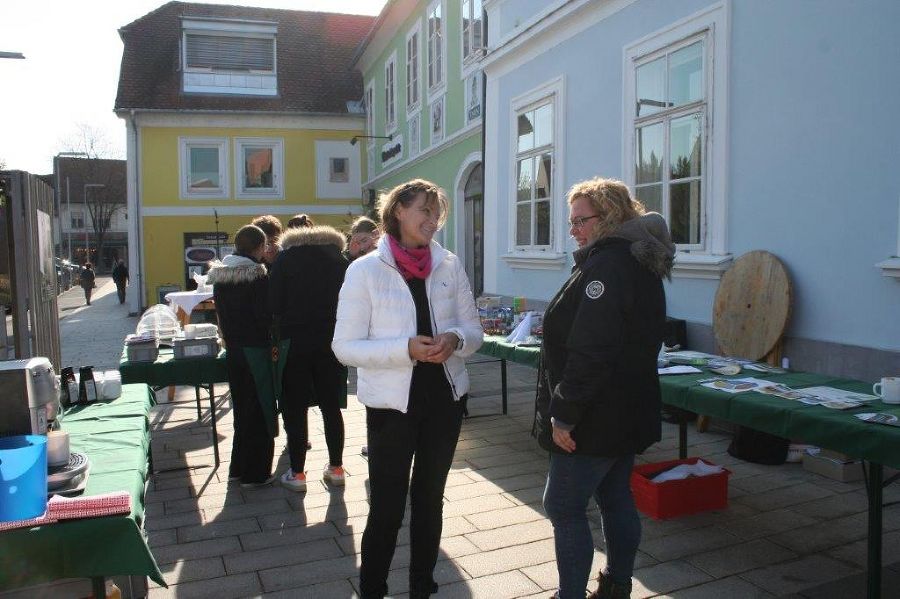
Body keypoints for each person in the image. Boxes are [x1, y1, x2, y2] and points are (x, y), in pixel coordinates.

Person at [332, 179, 483, 599]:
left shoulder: (448, 264)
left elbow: (473, 330)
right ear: (398, 210)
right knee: (386, 507)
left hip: (445, 399)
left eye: (438, 214)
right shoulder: (364, 270)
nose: (433, 221)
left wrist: (453, 339)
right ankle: (373, 589)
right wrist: (405, 349)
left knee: (430, 498)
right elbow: (344, 347)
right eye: (425, 211)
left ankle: (422, 586)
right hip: (391, 406)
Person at [534, 178, 674, 599]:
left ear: (609, 217)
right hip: (623, 407)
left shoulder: (610, 265)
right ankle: (616, 585)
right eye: (571, 221)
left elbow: (592, 349)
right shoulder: (628, 260)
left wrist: (565, 413)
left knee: (562, 505)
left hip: (596, 413)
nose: (573, 230)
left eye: (581, 220)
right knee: (614, 497)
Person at [269, 224, 349, 491]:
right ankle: (337, 468)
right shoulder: (339, 259)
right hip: (332, 339)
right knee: (331, 405)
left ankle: (298, 473)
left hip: (295, 341)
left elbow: (275, 304)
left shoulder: (286, 258)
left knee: (295, 406)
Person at [207, 225, 276, 488]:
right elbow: (264, 316)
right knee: (260, 411)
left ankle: (238, 468)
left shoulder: (221, 275)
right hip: (255, 351)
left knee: (241, 412)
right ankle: (255, 473)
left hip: (233, 349)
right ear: (259, 248)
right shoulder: (258, 276)